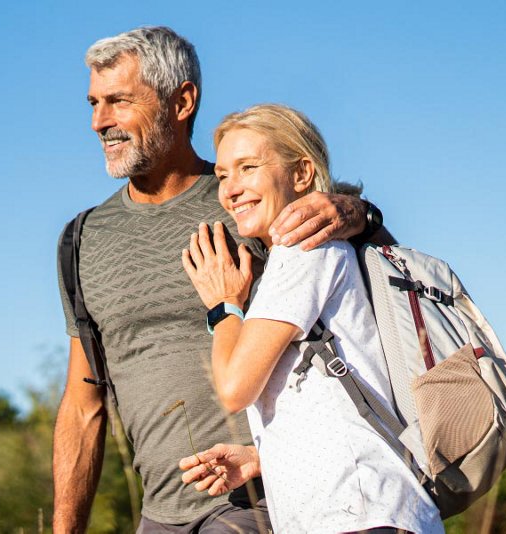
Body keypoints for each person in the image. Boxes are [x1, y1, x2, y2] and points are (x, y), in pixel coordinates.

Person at [54, 27, 381, 533]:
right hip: (159, 514)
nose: (100, 121)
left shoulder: (248, 200)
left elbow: (361, 280)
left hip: (260, 500)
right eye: (94, 102)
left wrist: (358, 211)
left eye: (119, 101)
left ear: (182, 100)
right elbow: (83, 405)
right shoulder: (81, 239)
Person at [179, 104, 443, 533]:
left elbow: (233, 388)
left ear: (302, 174)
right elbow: (329, 399)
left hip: (359, 516)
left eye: (248, 167)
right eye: (224, 175)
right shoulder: (311, 255)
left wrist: (224, 304)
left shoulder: (304, 248)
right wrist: (262, 458)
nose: (230, 189)